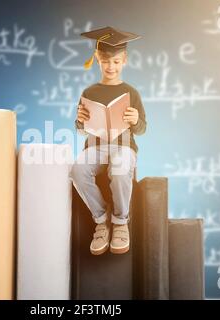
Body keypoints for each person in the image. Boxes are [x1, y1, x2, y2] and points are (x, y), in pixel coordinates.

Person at [70, 26, 147, 255]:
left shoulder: (131, 92)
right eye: (105, 61)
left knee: (121, 167)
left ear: (124, 60)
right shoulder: (89, 91)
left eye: (115, 61)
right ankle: (101, 219)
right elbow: (81, 129)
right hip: (96, 146)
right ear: (97, 59)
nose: (110, 66)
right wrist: (80, 120)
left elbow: (143, 128)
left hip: (123, 146)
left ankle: (121, 222)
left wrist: (135, 120)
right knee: (78, 170)